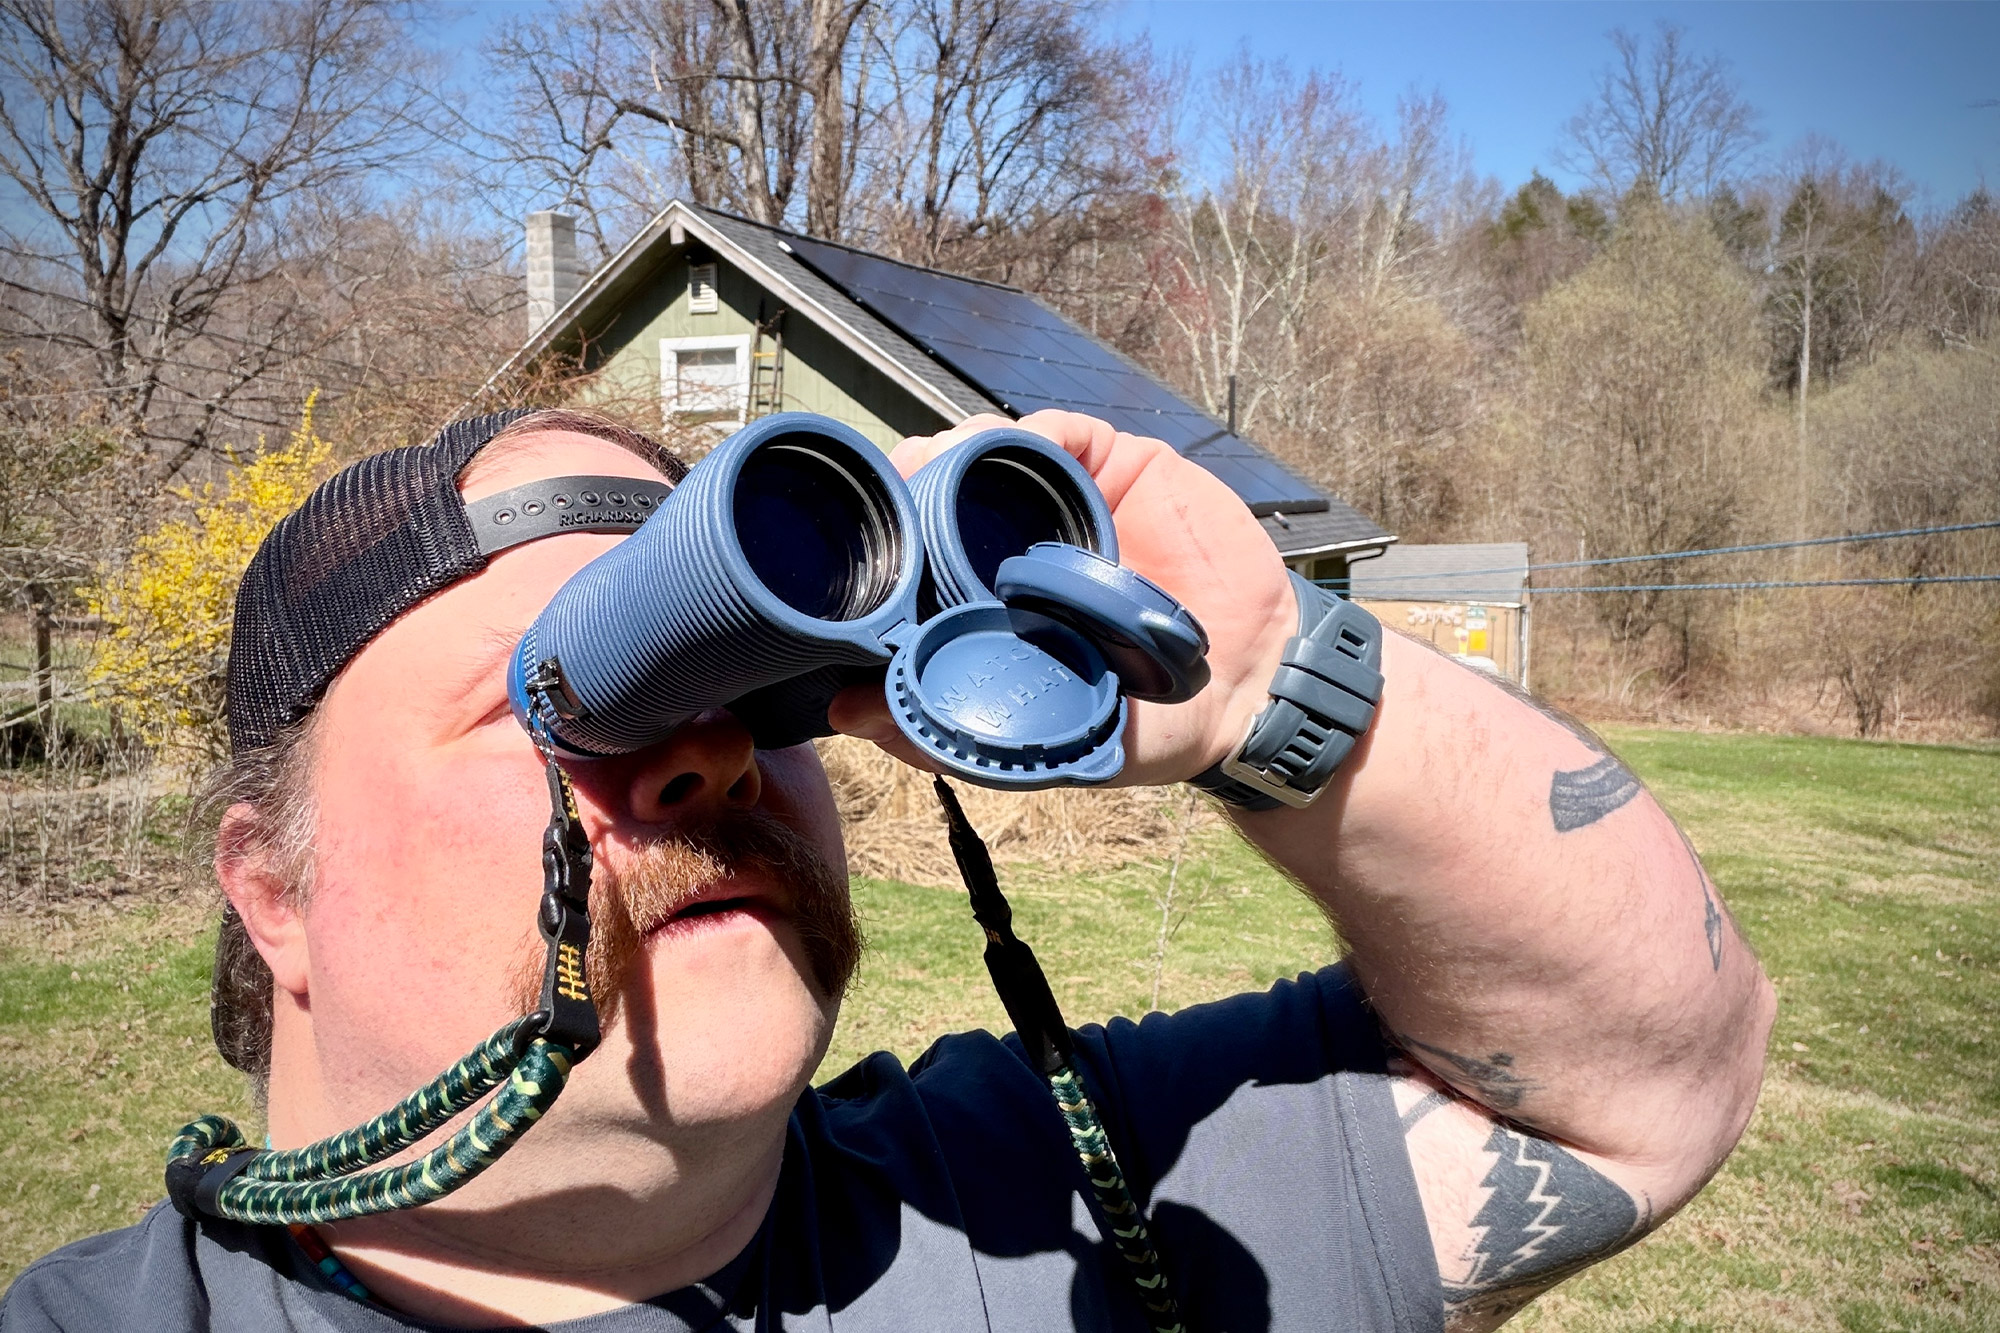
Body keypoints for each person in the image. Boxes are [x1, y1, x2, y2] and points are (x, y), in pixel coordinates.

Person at [2, 406, 1773, 1333]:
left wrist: (1262, 685)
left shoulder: (1027, 1199)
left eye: (753, 692)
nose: (703, 753)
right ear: (272, 889)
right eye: (559, 698)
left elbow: (1650, 1085)